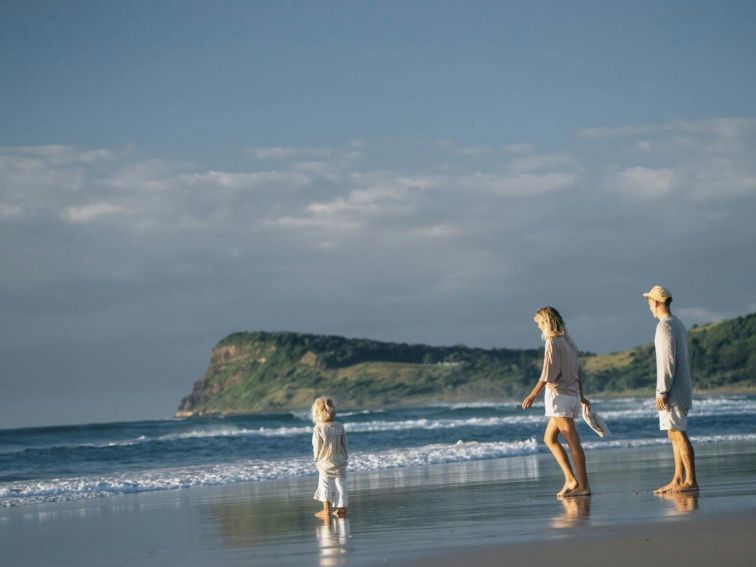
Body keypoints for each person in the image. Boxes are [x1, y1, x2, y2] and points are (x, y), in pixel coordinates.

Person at [522, 307, 592, 497]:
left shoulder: (552, 342)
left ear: (546, 322)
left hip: (559, 397)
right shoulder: (569, 342)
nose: (538, 328)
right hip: (572, 396)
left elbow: (547, 374)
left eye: (539, 324)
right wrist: (582, 396)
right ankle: (571, 479)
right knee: (549, 439)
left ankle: (583, 486)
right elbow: (577, 373)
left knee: (573, 442)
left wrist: (532, 395)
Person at [643, 285, 698, 494]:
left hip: (672, 391)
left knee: (678, 433)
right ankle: (678, 479)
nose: (649, 307)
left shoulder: (664, 326)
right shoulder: (678, 324)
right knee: (673, 433)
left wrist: (662, 391)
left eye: (650, 302)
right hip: (680, 387)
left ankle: (690, 480)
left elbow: (668, 361)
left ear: (656, 303)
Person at [311, 396, 349, 518]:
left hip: (325, 460)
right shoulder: (340, 426)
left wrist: (316, 459)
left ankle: (326, 509)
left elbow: (317, 447)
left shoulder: (318, 428)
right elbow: (345, 443)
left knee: (325, 484)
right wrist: (345, 456)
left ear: (317, 412)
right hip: (340, 459)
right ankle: (341, 508)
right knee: (340, 484)